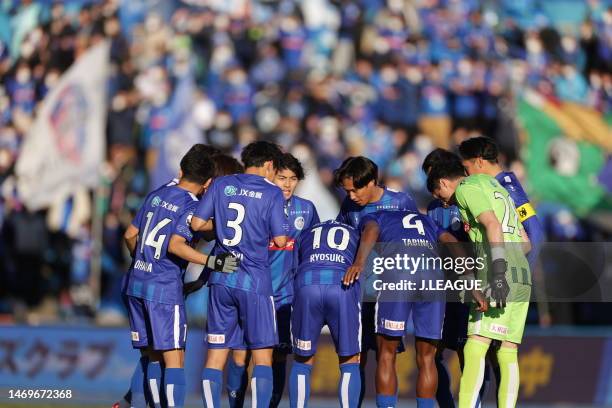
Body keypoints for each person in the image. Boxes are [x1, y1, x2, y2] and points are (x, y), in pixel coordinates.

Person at [122, 146, 239, 408]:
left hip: (136, 282)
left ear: (181, 171)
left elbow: (130, 235)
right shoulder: (191, 205)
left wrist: (142, 260)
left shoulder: (156, 194)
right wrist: (212, 261)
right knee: (175, 359)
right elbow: (176, 245)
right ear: (209, 182)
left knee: (153, 357)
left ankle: (142, 404)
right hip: (163, 287)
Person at [342, 208, 487, 408]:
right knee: (428, 357)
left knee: (386, 353)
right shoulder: (427, 220)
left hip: (399, 272)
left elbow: (372, 230)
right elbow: (452, 242)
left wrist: (359, 263)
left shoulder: (374, 215)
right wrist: (472, 283)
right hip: (433, 278)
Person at [427, 157, 531, 408]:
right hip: (521, 272)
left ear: (443, 181)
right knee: (507, 351)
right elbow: (526, 243)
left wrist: (496, 274)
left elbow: (492, 224)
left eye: (438, 192)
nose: (441, 200)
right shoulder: (495, 188)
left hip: (499, 272)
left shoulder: (466, 188)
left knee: (476, 345)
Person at [191, 141, 288, 408]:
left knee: (215, 356)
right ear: (269, 165)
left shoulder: (222, 185)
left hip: (222, 278)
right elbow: (280, 240)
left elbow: (197, 223)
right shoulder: (272, 193)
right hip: (254, 282)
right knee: (262, 357)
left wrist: (221, 225)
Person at [333, 156, 418, 406]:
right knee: (356, 358)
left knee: (387, 355)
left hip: (390, 293)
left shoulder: (401, 201)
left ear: (372, 181)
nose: (351, 195)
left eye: (355, 189)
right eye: (346, 190)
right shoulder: (349, 207)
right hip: (358, 292)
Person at [289, 220, 361, 408]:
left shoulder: (307, 232)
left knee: (302, 360)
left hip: (307, 285)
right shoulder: (357, 232)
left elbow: (294, 267)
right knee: (350, 360)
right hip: (342, 287)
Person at [269, 153, 320, 407]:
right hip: (257, 290)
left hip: (288, 294)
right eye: (282, 178)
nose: (287, 184)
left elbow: (315, 249)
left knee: (279, 354)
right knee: (246, 355)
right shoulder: (261, 205)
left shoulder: (306, 209)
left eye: (293, 179)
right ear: (272, 177)